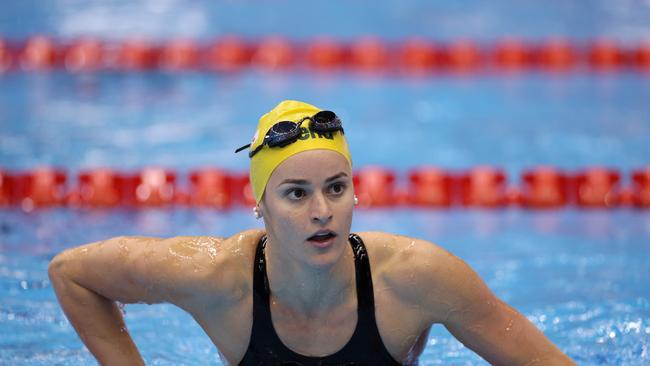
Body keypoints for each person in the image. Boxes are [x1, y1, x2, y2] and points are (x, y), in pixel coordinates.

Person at [49, 100, 575, 365]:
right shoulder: (214, 277)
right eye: (296, 193)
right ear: (260, 205)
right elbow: (72, 273)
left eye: (337, 188)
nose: (322, 211)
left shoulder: (416, 278)